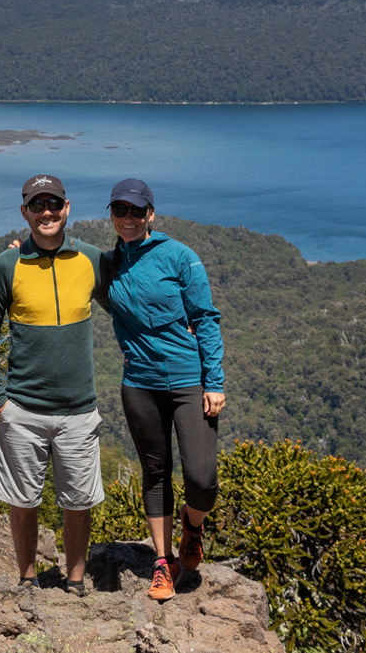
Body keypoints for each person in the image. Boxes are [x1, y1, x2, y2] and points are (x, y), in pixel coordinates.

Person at [0, 174, 105, 597]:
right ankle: (27, 578)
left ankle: (76, 579)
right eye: (37, 205)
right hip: (23, 408)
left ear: (67, 208)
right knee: (23, 499)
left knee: (78, 501)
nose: (46, 212)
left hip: (79, 408)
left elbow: (128, 302)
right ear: (24, 212)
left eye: (53, 204)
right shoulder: (6, 265)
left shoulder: (90, 259)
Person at [97, 178, 224, 602]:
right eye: (120, 211)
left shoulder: (179, 257)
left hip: (189, 382)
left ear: (151, 214)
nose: (128, 219)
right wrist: (22, 250)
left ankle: (193, 525)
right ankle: (162, 564)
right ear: (112, 216)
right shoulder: (108, 264)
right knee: (155, 473)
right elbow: (64, 254)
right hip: (139, 384)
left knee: (202, 478)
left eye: (137, 211)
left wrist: (215, 382)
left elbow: (205, 317)